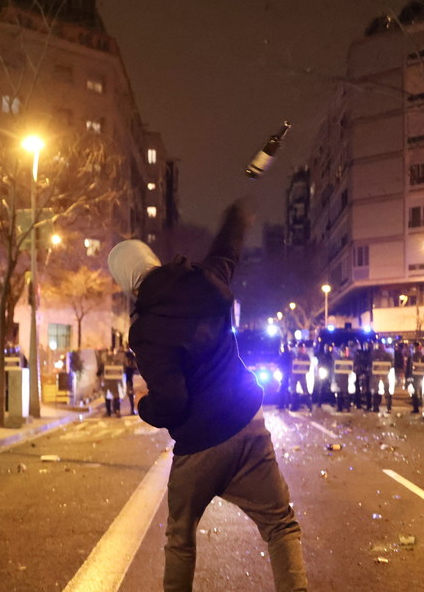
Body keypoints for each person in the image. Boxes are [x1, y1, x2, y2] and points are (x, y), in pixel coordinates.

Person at [107, 201, 307, 592]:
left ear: (128, 282)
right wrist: (236, 217)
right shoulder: (205, 282)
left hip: (199, 445)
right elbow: (225, 252)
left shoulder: (147, 329)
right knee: (280, 525)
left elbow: (172, 401)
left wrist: (143, 405)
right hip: (247, 424)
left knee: (180, 539)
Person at [97, 347, 125, 417]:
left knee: (109, 396)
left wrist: (98, 374)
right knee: (115, 396)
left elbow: (100, 369)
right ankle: (116, 410)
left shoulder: (105, 359)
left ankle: (110, 411)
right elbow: (123, 368)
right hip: (114, 382)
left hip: (109, 381)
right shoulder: (118, 359)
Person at [369, 342, 393, 412]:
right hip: (382, 374)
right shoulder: (387, 355)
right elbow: (391, 364)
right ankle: (388, 408)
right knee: (385, 391)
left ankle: (376, 407)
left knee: (377, 391)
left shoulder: (374, 354)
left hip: (379, 374)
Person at [410, 341, 424, 413]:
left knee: (415, 393)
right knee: (421, 392)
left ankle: (416, 408)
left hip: (416, 377)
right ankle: (421, 407)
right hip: (421, 376)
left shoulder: (414, 356)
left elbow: (410, 367)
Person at [124, 347, 138, 415]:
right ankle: (132, 410)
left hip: (127, 380)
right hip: (127, 380)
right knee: (130, 395)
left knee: (130, 395)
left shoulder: (127, 356)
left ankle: (132, 410)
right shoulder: (129, 356)